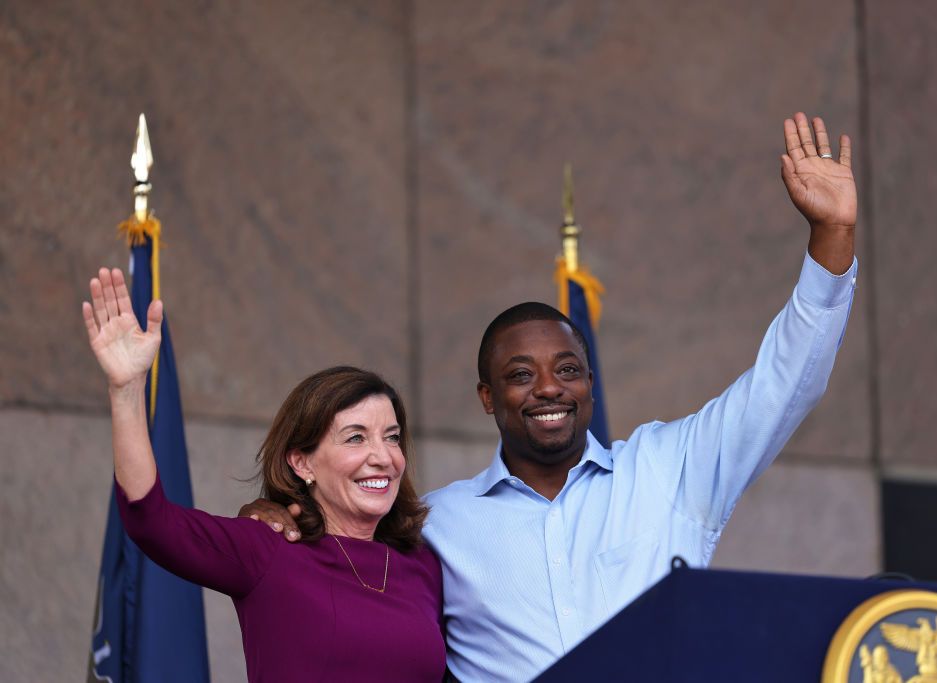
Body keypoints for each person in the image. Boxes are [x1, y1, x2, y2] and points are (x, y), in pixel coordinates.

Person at [243, 112, 859, 681]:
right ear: (488, 397)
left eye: (568, 369)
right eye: (520, 375)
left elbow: (785, 383)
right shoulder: (434, 525)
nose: (548, 388)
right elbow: (337, 566)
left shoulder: (670, 471)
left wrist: (832, 236)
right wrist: (264, 519)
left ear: (590, 384)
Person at [82, 269, 445, 682]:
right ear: (302, 462)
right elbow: (151, 522)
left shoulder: (423, 563)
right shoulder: (270, 549)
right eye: (355, 438)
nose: (383, 457)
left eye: (392, 438)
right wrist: (127, 391)